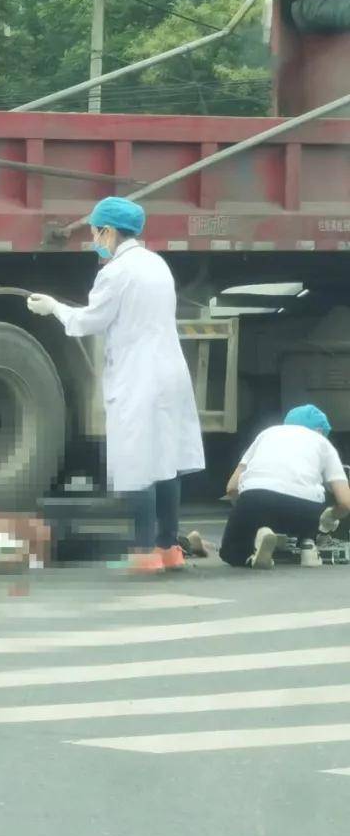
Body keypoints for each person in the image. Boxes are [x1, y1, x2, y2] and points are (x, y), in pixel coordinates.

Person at [27, 196, 205, 575]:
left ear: (107, 230)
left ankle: (145, 552)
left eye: (94, 231)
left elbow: (90, 321)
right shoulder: (156, 264)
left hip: (139, 376)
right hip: (169, 372)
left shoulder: (116, 272)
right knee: (166, 460)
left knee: (139, 461)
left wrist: (53, 307)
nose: (93, 238)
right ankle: (169, 546)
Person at [219, 405, 350, 569]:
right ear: (318, 430)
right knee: (315, 495)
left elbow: (231, 488)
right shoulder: (323, 443)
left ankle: (254, 546)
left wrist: (244, 515)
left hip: (255, 499)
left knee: (232, 552)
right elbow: (345, 502)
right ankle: (307, 544)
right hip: (303, 511)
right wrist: (329, 518)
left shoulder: (266, 434)